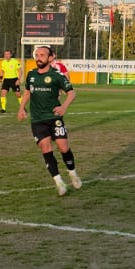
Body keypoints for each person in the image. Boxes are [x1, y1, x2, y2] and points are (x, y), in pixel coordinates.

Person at [18, 45, 83, 196]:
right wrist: (21, 108)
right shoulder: (31, 74)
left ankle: (72, 173)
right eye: (37, 55)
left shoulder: (57, 75)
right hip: (37, 119)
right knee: (45, 147)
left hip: (54, 118)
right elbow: (27, 92)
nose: (38, 58)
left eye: (42, 55)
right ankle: (58, 181)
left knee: (63, 147)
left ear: (50, 58)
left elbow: (72, 93)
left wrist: (64, 107)